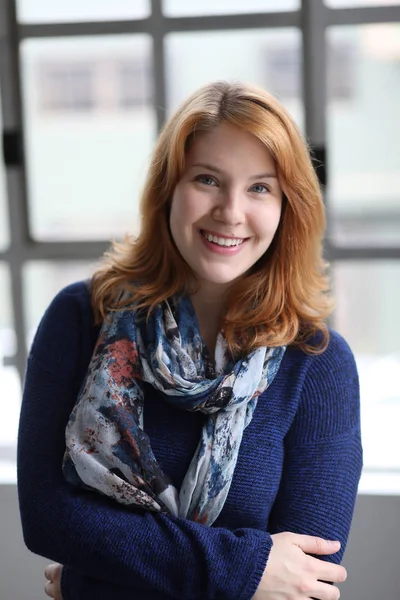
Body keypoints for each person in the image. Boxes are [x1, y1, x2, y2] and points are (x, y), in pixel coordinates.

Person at [17, 80, 362, 600]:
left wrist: (91, 582)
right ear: (168, 189)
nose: (230, 211)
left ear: (288, 206)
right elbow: (45, 518)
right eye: (207, 179)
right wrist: (245, 570)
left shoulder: (318, 361)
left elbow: (308, 582)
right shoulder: (81, 317)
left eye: (260, 188)